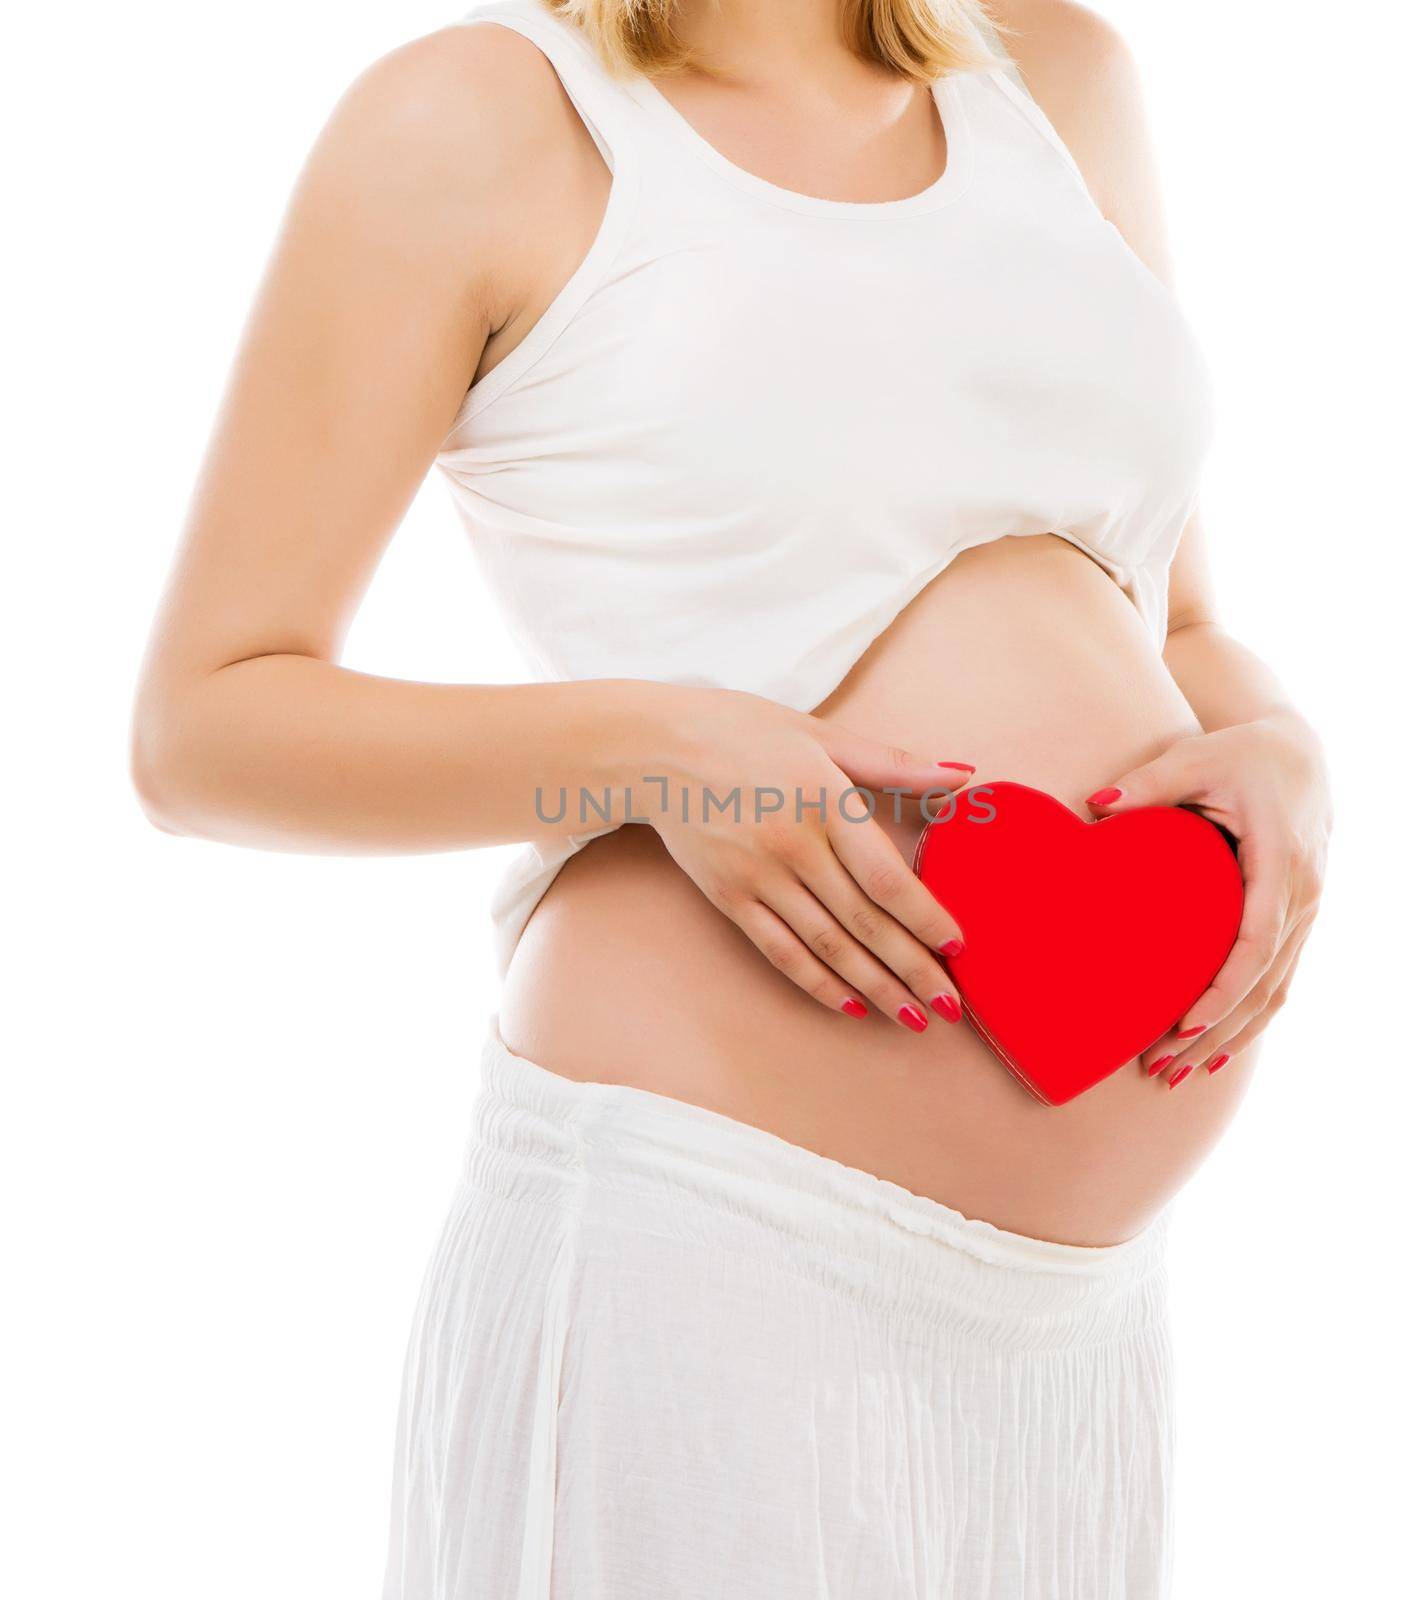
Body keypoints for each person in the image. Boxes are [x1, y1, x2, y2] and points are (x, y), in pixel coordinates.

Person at [131, 1, 1332, 1593]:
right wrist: (652, 752)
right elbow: (206, 727)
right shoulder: (482, 119)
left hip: (1076, 1330)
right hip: (700, 1246)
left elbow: (1167, 616)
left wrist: (1284, 749)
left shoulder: (1058, 74)